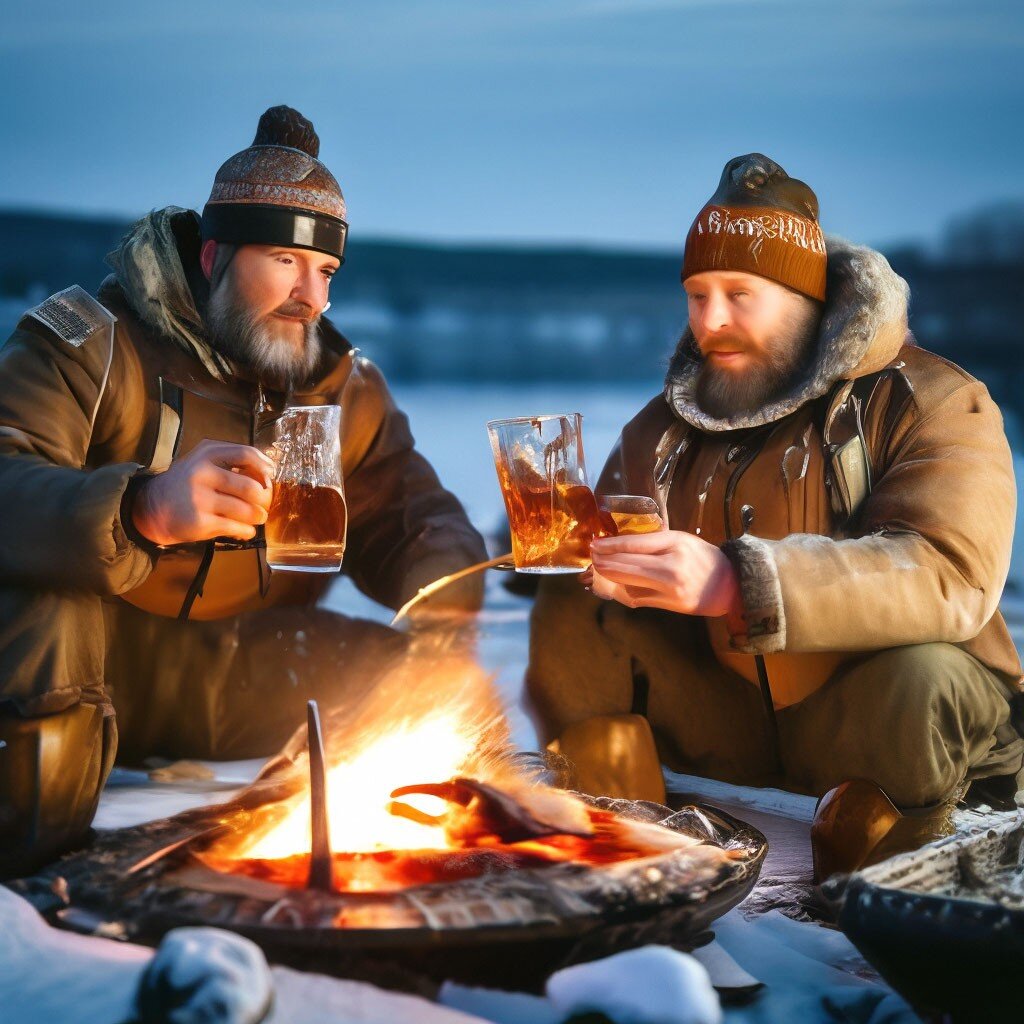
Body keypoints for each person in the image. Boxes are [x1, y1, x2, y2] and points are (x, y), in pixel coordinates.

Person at [0, 106, 487, 873]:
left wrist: (448, 592)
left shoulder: (336, 382)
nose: (312, 297)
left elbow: (407, 508)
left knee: (426, 680)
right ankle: (35, 887)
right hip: (90, 664)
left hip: (231, 670)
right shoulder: (87, 345)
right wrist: (143, 509)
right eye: (285, 262)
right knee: (46, 601)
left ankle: (353, 860)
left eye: (325, 271)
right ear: (215, 253)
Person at [528, 154, 1023, 860]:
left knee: (917, 675)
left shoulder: (933, 400)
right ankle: (624, 849)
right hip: (735, 721)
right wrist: (596, 561)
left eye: (739, 293)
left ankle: (876, 898)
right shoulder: (662, 427)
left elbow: (951, 573)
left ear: (806, 298)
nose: (711, 321)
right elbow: (605, 552)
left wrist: (740, 583)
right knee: (575, 616)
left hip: (883, 714)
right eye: (697, 295)